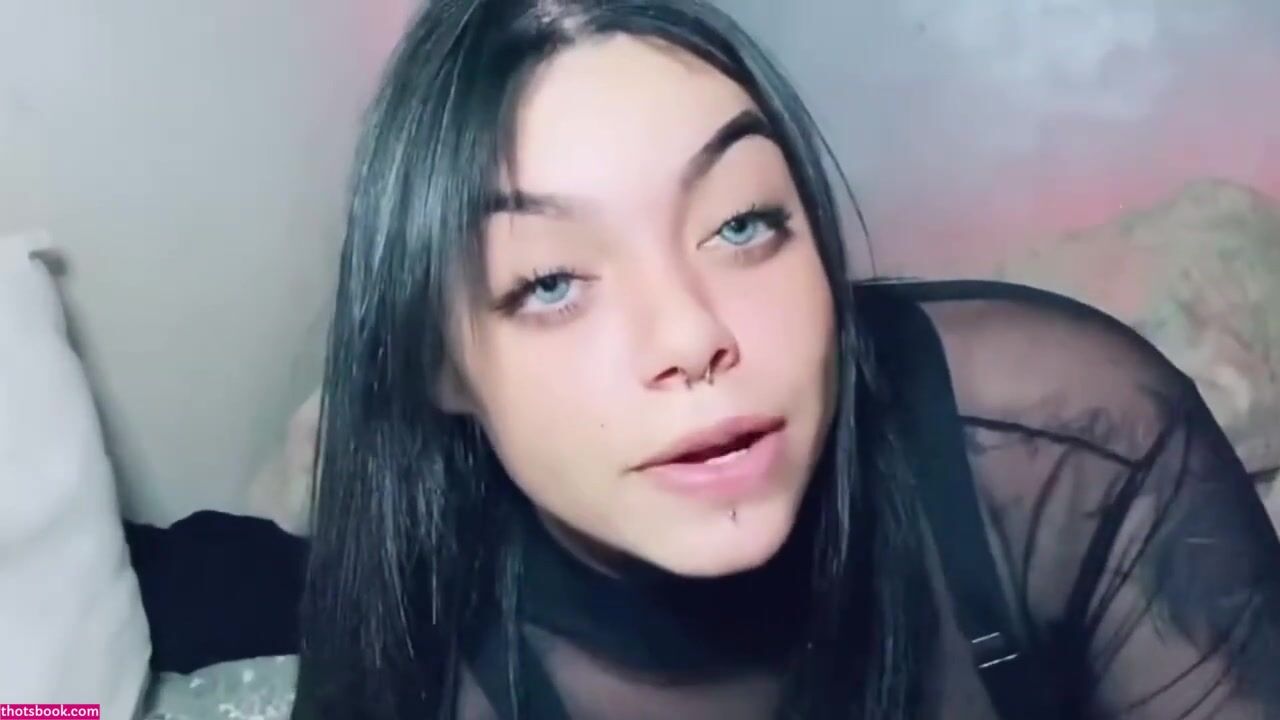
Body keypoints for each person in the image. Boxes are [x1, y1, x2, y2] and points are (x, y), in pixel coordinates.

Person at [124, 0, 1280, 718]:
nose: (689, 336)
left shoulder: (1071, 444)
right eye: (550, 283)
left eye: (740, 225)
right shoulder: (429, 665)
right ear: (441, 369)